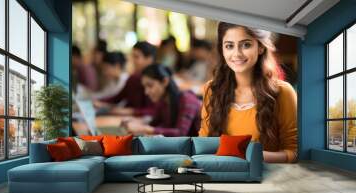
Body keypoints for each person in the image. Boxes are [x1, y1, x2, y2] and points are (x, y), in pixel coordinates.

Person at [198, 22, 297, 163]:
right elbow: (203, 144)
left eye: (246, 45)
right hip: (222, 176)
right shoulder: (211, 90)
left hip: (266, 178)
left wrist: (250, 156)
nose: (237, 54)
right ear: (222, 50)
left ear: (261, 47)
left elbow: (293, 152)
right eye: (229, 46)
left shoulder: (283, 92)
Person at [122, 64, 201, 136]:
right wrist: (138, 122)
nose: (146, 92)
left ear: (165, 81)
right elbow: (155, 123)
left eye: (150, 85)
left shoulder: (187, 99)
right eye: (145, 87)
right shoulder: (163, 101)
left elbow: (181, 133)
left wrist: (143, 128)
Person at [96, 41, 157, 116]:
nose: (133, 60)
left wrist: (131, 111)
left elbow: (154, 110)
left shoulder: (157, 81)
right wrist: (98, 102)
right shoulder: (133, 79)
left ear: (149, 59)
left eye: (136, 57)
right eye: (132, 56)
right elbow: (117, 98)